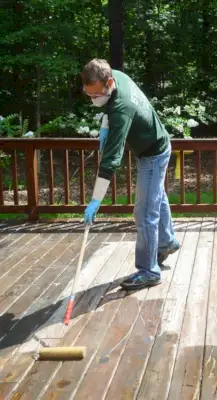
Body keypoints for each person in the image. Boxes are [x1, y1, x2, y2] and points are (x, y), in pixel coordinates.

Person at [81, 58, 180, 290]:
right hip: (155, 144)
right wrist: (105, 127)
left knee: (144, 212)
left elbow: (110, 161)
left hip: (153, 153)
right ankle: (167, 242)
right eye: (89, 95)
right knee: (156, 197)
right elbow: (109, 105)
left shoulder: (121, 108)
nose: (94, 100)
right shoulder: (115, 76)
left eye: (96, 95)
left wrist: (96, 200)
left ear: (109, 82)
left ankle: (148, 272)